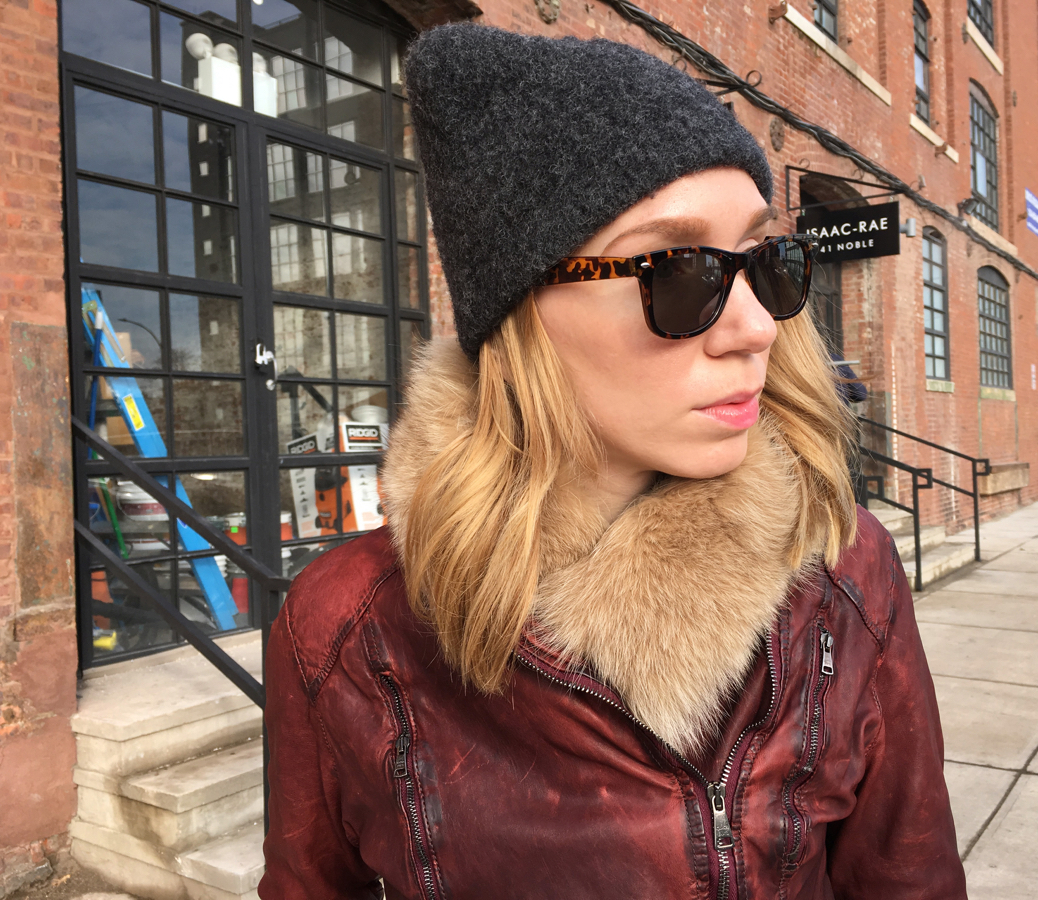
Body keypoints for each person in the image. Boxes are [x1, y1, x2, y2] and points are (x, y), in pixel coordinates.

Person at [260, 24, 965, 900]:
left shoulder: (844, 564)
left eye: (764, 264)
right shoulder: (345, 629)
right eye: (678, 272)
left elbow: (913, 878)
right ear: (521, 314)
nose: (756, 328)